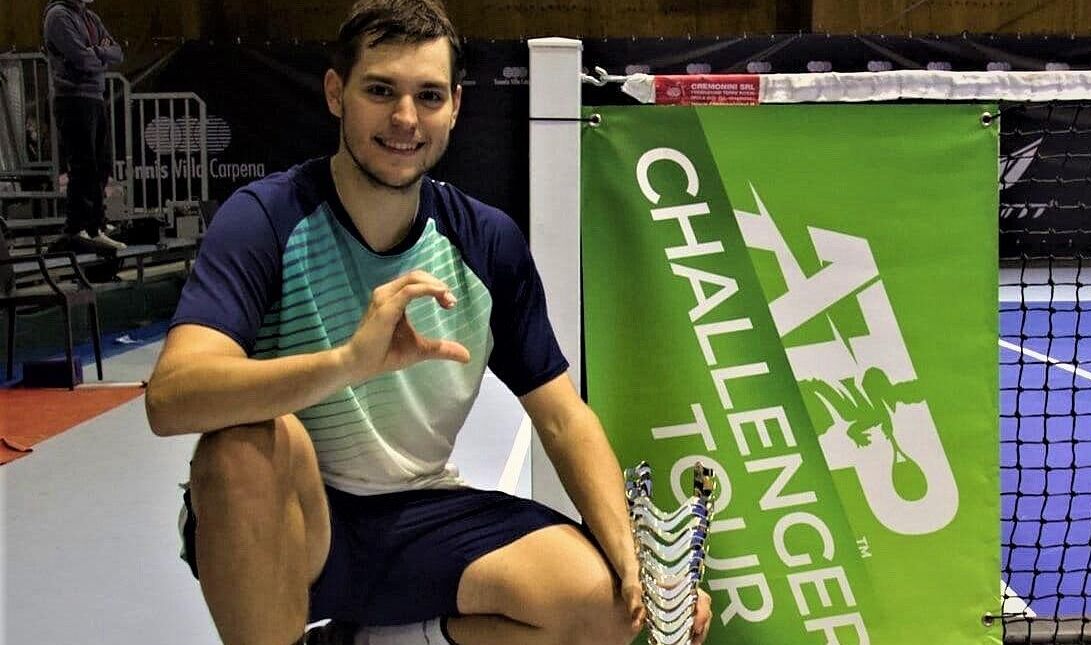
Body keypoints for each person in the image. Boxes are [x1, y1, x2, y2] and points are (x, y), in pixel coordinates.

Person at [144, 1, 713, 644]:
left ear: (455, 107)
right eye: (380, 90)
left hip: (419, 512)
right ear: (335, 93)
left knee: (603, 608)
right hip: (292, 519)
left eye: (429, 96)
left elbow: (562, 417)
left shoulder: (486, 242)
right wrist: (346, 364)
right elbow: (172, 397)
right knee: (240, 447)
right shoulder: (266, 220)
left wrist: (633, 564)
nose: (406, 118)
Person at [42, 0, 126, 251]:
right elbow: (81, 59)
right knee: (84, 165)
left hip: (95, 97)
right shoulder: (58, 16)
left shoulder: (91, 17)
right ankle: (80, 227)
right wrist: (100, 54)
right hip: (72, 98)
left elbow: (118, 53)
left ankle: (96, 223)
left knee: (102, 163)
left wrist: (96, 51)